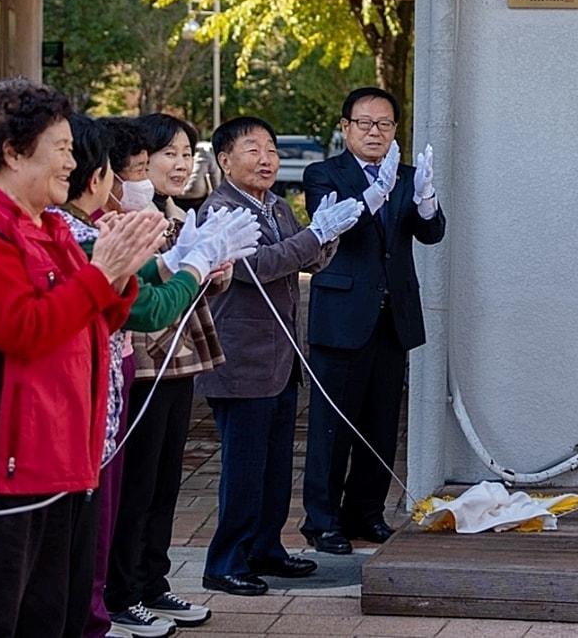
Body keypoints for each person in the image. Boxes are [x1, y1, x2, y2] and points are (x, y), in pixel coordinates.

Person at [0, 79, 166, 637]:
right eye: (60, 147)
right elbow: (24, 330)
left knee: (51, 618)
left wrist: (122, 266)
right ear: (12, 153)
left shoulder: (50, 225)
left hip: (59, 457)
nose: (72, 161)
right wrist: (102, 271)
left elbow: (102, 316)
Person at [197, 116, 363, 597]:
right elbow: (259, 267)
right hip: (241, 359)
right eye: (253, 150)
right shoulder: (220, 210)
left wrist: (326, 234)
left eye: (271, 149)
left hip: (281, 360)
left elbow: (307, 260)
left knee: (274, 467)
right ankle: (225, 560)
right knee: (244, 469)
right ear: (225, 160)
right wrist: (313, 237)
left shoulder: (275, 207)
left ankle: (265, 548)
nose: (267, 158)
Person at [300, 86, 445, 553]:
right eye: (364, 123)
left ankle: (366, 512)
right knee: (332, 425)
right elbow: (341, 229)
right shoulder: (323, 173)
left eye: (384, 124)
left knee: (381, 425)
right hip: (342, 315)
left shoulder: (405, 174)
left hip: (392, 316)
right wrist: (376, 193)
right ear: (345, 128)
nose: (374, 132)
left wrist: (425, 199)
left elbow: (431, 233)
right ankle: (322, 521)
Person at [106, 114, 232, 630]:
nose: (181, 164)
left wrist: (214, 270)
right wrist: (188, 265)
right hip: (141, 365)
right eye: (167, 155)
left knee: (163, 481)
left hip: (178, 363)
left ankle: (152, 584)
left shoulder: (179, 215)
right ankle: (121, 591)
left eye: (187, 153)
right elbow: (149, 297)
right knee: (135, 483)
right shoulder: (128, 219)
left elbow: (190, 287)